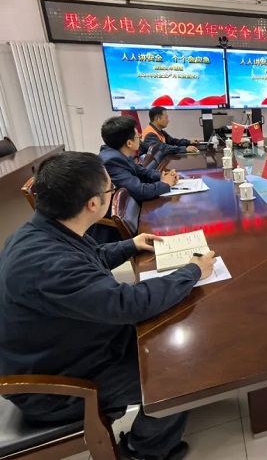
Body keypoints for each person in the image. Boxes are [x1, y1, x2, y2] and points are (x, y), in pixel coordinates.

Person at [0, 151, 217, 460]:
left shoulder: (43, 230)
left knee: (173, 332)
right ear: (93, 204)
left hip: (68, 347)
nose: (112, 193)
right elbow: (129, 304)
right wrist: (192, 271)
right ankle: (143, 450)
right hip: (57, 385)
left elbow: (91, 259)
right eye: (110, 189)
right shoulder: (51, 265)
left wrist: (130, 245)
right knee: (181, 369)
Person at [100, 116, 179, 203]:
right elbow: (140, 192)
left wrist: (163, 176)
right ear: (129, 143)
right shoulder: (112, 161)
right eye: (137, 135)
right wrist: (165, 183)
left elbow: (141, 171)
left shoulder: (118, 153)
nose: (140, 136)